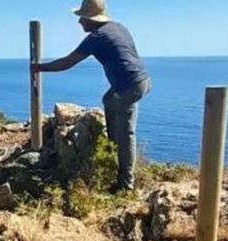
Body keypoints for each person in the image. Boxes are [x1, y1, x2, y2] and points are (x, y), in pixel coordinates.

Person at [32, 0, 151, 193]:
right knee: (109, 101)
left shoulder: (97, 37)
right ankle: (111, 155)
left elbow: (67, 62)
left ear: (91, 19)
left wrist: (39, 68)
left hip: (129, 87)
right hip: (139, 81)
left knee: (126, 134)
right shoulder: (118, 27)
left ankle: (125, 186)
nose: (79, 23)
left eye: (82, 18)